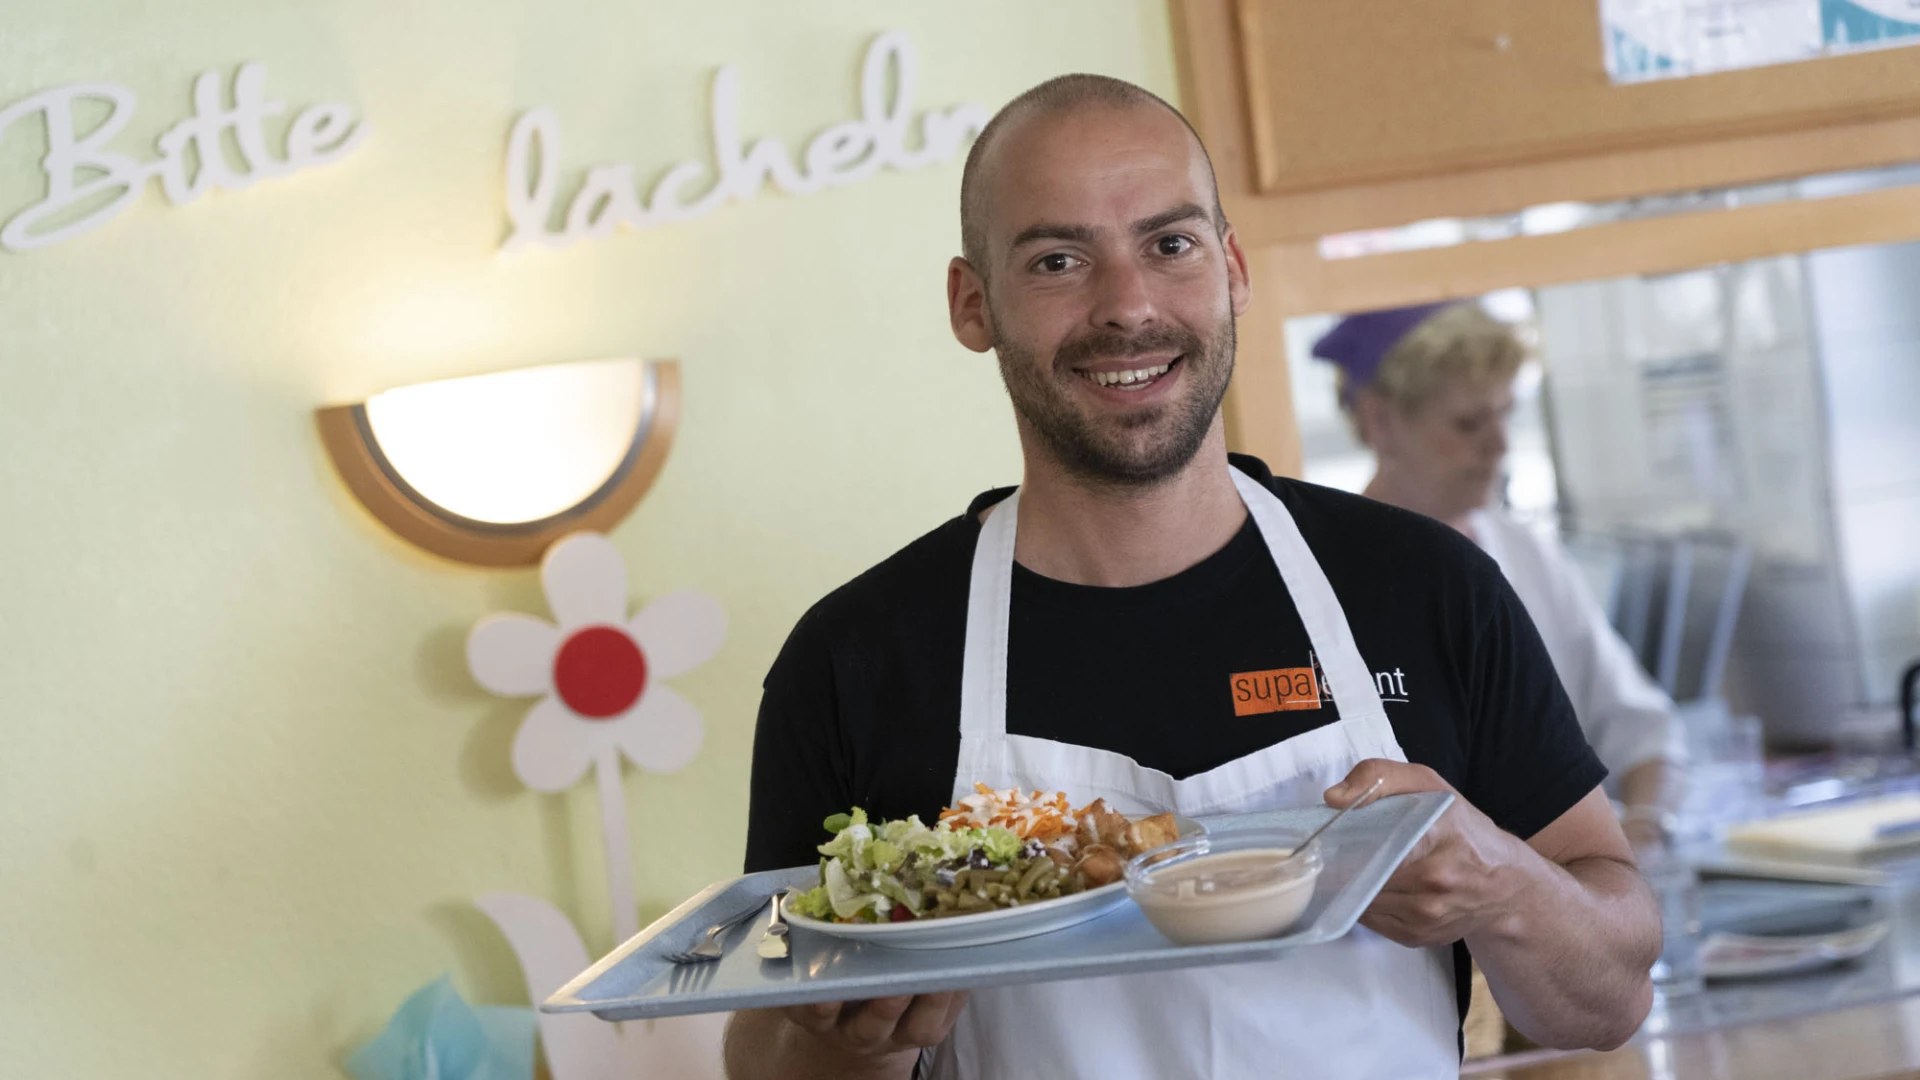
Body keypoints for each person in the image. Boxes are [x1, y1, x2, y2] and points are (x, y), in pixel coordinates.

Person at [724, 75, 1658, 1080]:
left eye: (1170, 245)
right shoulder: (856, 660)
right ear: (971, 304)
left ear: (1233, 269)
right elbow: (769, 1034)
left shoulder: (1424, 588)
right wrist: (851, 1033)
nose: (1126, 306)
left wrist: (1503, 888)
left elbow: (1607, 1000)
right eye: (1056, 259)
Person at [1312, 302, 1686, 850]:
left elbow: (1642, 728)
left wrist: (1645, 833)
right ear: (1379, 421)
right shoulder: (1322, 579)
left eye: (1505, 414)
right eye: (1468, 423)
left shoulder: (1526, 554)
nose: (1501, 445)